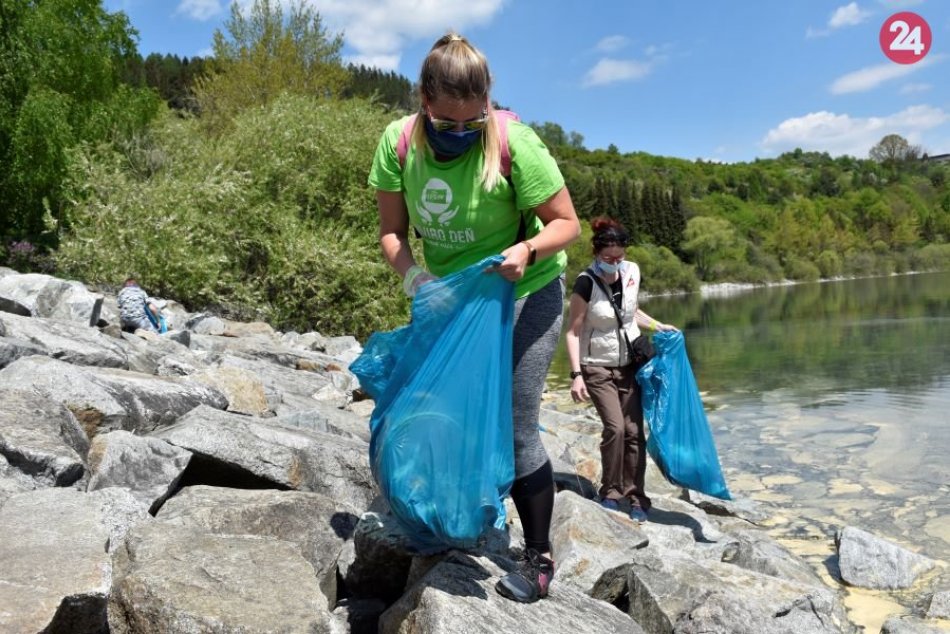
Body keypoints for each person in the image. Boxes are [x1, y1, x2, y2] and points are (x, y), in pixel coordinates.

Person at [369, 32, 581, 604]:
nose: (460, 133)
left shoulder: (516, 141)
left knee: (513, 424)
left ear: (488, 103)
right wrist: (417, 280)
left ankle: (538, 557)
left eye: (472, 123)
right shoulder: (400, 143)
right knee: (426, 411)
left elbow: (566, 224)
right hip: (450, 299)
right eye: (448, 123)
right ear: (424, 101)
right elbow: (392, 233)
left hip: (525, 289)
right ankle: (446, 521)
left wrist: (527, 251)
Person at [564, 218, 678, 523]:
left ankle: (636, 495)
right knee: (614, 427)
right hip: (597, 367)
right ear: (596, 252)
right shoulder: (585, 282)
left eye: (619, 258)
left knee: (633, 432)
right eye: (607, 259)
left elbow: (630, 314)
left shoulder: (632, 272)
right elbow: (573, 332)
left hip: (630, 365)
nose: (614, 264)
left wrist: (657, 325)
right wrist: (576, 375)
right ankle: (610, 491)